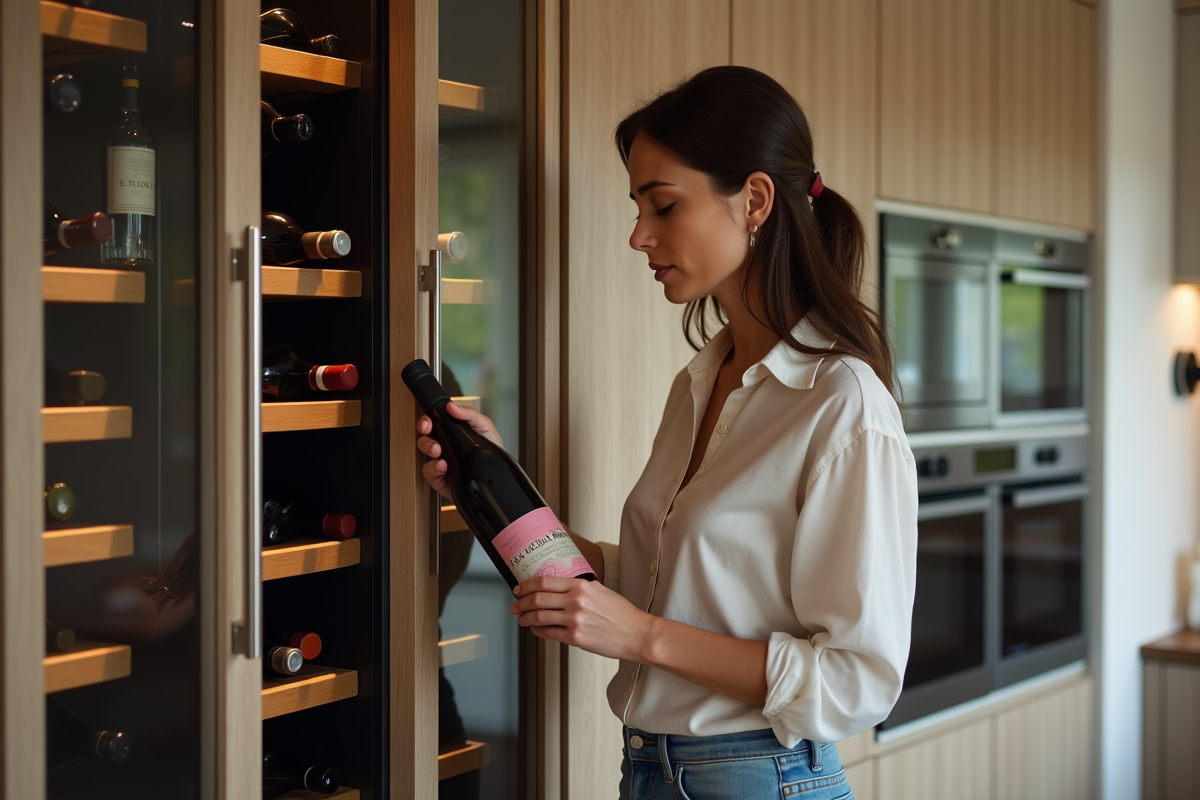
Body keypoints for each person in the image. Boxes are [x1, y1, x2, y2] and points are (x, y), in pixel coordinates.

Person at [416, 65, 917, 800]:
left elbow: (856, 680)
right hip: (654, 768)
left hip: (759, 776)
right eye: (637, 206)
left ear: (753, 201)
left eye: (663, 205)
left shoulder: (843, 406)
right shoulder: (702, 381)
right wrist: (491, 484)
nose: (637, 235)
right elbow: (671, 582)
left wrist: (639, 636)